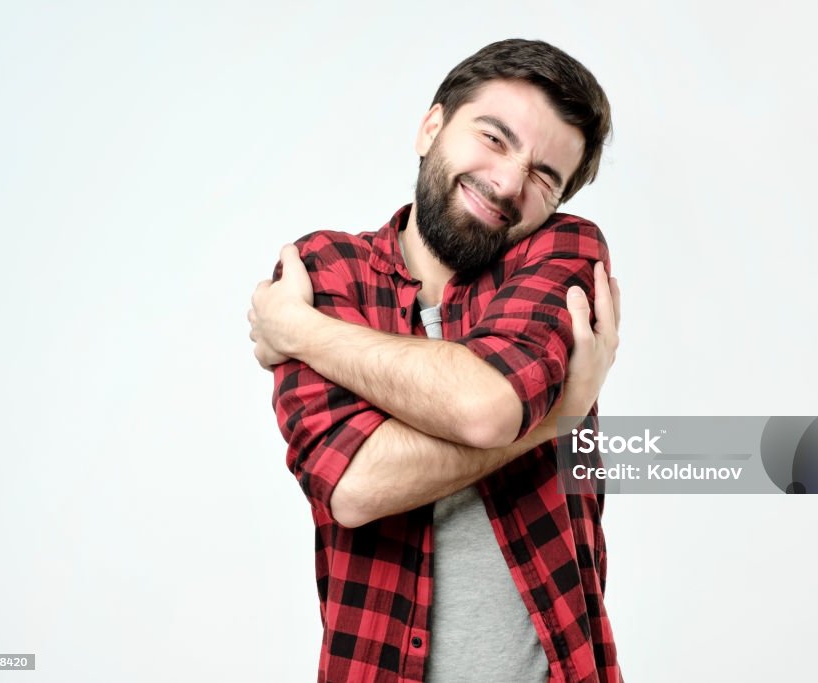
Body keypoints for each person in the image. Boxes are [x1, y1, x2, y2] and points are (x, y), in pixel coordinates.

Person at [249, 38, 622, 682]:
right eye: (495, 138)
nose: (508, 183)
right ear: (431, 126)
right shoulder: (322, 272)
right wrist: (555, 419)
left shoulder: (563, 252)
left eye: (543, 177)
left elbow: (484, 410)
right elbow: (356, 488)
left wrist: (302, 333)